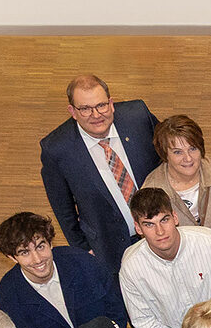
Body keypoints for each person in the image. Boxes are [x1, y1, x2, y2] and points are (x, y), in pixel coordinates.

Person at [39, 74, 160, 274]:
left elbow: (167, 153)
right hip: (110, 248)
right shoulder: (56, 149)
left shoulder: (138, 116)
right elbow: (63, 208)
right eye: (85, 109)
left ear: (111, 103)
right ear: (72, 111)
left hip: (161, 231)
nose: (96, 115)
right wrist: (84, 248)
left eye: (101, 105)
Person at [117, 188, 211, 328]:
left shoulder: (210, 243)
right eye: (149, 224)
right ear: (138, 228)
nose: (160, 231)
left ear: (175, 217)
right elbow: (145, 323)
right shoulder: (131, 268)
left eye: (164, 220)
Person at [0, 211, 126, 328]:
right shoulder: (8, 298)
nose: (37, 259)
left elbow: (116, 307)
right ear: (12, 257)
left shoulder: (83, 262)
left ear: (50, 243)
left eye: (40, 247)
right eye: (25, 252)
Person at [140, 114, 211, 230]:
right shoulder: (152, 190)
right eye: (177, 152)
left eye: (193, 149)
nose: (188, 158)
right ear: (165, 154)